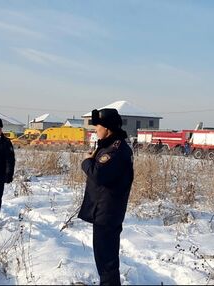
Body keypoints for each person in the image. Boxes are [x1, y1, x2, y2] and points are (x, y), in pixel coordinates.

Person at [78, 108, 134, 285]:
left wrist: (86, 162)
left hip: (108, 212)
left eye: (98, 126)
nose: (96, 130)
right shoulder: (109, 146)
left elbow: (99, 174)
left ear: (108, 128)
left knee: (106, 259)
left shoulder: (116, 149)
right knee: (103, 257)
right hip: (104, 209)